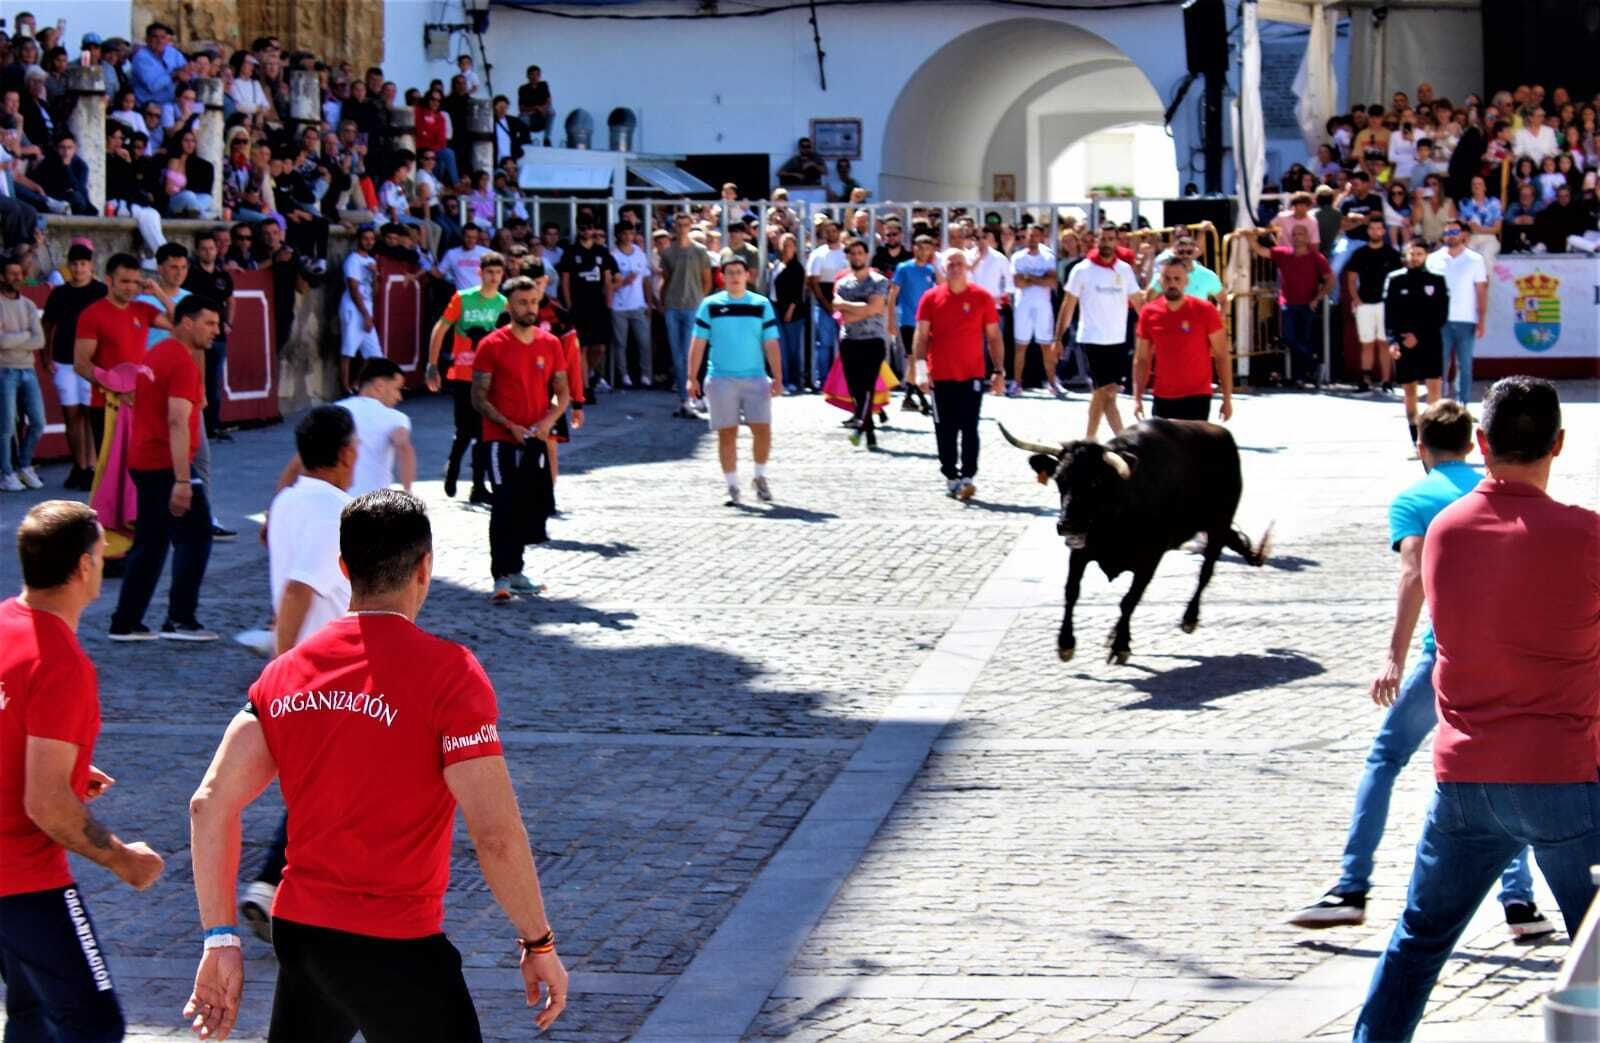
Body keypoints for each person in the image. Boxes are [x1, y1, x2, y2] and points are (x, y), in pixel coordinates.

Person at [185, 490, 569, 1041]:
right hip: (396, 944)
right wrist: (539, 943)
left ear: (344, 569)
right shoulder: (450, 674)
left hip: (305, 933)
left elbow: (208, 803)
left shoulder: (284, 674)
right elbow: (497, 835)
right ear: (425, 568)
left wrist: (220, 938)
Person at [1353, 378, 1600, 1043]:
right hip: (1565, 775)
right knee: (1597, 951)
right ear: (1559, 444)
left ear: (1482, 444)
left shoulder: (1444, 533)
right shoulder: (1587, 535)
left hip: (1466, 779)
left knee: (1418, 941)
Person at [1289, 400, 1553, 939]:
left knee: (1386, 757)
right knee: (1499, 764)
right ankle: (1519, 901)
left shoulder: (1417, 498)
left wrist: (1394, 655)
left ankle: (1351, 885)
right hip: (1514, 657)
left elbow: (1412, 575)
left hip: (1449, 656)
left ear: (1422, 448)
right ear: (1473, 443)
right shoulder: (1502, 491)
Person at [0, 501, 166, 1043]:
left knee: (31, 1015)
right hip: (23, 878)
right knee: (94, 1024)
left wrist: (57, 758)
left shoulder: (5, 623)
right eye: (101, 552)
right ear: (83, 568)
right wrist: (123, 859)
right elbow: (46, 805)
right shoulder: (61, 664)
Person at [238, 406, 359, 941]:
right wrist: (283, 663)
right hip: (327, 666)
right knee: (333, 783)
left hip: (310, 661)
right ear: (345, 452)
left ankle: (291, 888)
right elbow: (300, 587)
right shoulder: (339, 510)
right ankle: (275, 886)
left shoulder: (285, 501)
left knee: (329, 782)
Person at [106, 295, 219, 642]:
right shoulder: (181, 363)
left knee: (152, 542)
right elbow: (176, 421)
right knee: (196, 534)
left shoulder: (158, 354)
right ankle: (180, 619)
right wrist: (183, 479)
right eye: (210, 323)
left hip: (148, 460)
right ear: (187, 322)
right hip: (167, 465)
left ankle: (126, 622)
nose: (216, 330)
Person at [472, 272, 570, 602]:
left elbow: (562, 393)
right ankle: (501, 576)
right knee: (503, 503)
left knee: (530, 506)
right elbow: (479, 397)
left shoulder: (550, 344)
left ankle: (516, 570)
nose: (530, 308)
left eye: (533, 302)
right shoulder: (491, 345)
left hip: (535, 438)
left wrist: (549, 421)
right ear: (509, 305)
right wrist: (508, 424)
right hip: (499, 437)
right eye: (522, 303)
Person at [685, 255, 782, 505]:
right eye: (730, 273)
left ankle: (759, 476)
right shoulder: (710, 305)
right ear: (723, 276)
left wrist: (778, 376)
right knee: (726, 433)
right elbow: (698, 343)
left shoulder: (761, 304)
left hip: (755, 377)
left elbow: (771, 342)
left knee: (763, 429)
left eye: (739, 272)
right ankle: (731, 485)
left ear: (747, 275)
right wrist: (691, 377)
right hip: (720, 378)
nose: (735, 277)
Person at [912, 249, 1005, 501]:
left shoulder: (981, 297)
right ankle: (950, 475)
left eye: (959, 263)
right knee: (945, 428)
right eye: (950, 263)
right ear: (943, 268)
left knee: (969, 426)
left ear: (968, 267)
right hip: (940, 374)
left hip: (972, 374)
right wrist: (920, 371)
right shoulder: (930, 298)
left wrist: (998, 371)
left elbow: (994, 336)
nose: (955, 267)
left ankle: (968, 476)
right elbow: (921, 336)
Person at [427, 249, 506, 504]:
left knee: (485, 432)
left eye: (498, 272)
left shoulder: (504, 304)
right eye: (489, 272)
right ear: (479, 273)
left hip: (490, 377)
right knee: (464, 430)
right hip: (462, 373)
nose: (494, 277)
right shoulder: (462, 298)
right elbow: (440, 329)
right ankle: (453, 467)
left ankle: (478, 486)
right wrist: (432, 364)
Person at [1056, 227, 1139, 441]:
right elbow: (1068, 305)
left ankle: (1121, 439)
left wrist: (1154, 330)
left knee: (1109, 393)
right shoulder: (1082, 270)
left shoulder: (1125, 270)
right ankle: (1090, 439)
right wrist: (1058, 338)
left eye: (1111, 239)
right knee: (1103, 390)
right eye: (1103, 238)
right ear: (1096, 240)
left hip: (1118, 340)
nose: (1106, 243)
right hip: (1091, 338)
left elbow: (1139, 302)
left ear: (1116, 242)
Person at [1132, 257, 1231, 422]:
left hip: (1197, 396)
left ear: (1186, 281)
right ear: (1160, 282)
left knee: (1194, 448)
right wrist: (1137, 398)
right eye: (1167, 279)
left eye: (1177, 279)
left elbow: (1221, 356)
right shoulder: (1149, 313)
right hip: (1163, 396)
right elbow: (1141, 359)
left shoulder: (1205, 310)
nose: (1172, 283)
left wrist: (1227, 398)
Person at [41, 242, 106, 489]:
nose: (79, 269)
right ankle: (79, 465)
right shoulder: (59, 293)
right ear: (69, 267)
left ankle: (91, 466)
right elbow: (48, 326)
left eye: (83, 264)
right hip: (64, 360)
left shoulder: (101, 291)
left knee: (90, 415)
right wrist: (45, 356)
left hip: (91, 362)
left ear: (90, 266)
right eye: (75, 265)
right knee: (72, 415)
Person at [1247, 224, 1333, 385]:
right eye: (1294, 234)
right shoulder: (1283, 253)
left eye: (1300, 234)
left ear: (1307, 237)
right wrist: (1253, 235)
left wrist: (1318, 298)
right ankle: (1314, 363)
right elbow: (1259, 250)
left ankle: (1300, 377)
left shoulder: (1316, 257)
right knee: (1289, 338)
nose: (1297, 237)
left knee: (1303, 340)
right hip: (1288, 303)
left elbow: (1330, 280)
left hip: (1308, 304)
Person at [1383, 240, 1449, 448]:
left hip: (1430, 342)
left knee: (1434, 391)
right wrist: (1393, 341)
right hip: (1403, 344)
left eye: (1419, 253)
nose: (1415, 257)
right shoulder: (1395, 280)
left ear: (1426, 255)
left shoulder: (1436, 280)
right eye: (1412, 253)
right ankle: (1415, 439)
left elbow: (1440, 315)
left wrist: (1418, 336)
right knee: (1410, 391)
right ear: (1406, 255)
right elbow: (1389, 314)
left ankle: (1434, 437)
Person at [832, 238, 891, 450]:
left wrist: (853, 309)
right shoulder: (843, 283)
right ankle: (869, 428)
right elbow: (841, 312)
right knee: (856, 388)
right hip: (849, 340)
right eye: (853, 253)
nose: (857, 257)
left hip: (873, 340)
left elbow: (875, 308)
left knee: (867, 385)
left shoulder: (879, 281)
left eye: (860, 253)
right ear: (848, 256)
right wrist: (862, 309)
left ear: (866, 255)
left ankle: (860, 426)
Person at [1425, 220, 1487, 404]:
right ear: (1443, 235)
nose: (1451, 235)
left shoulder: (1475, 259)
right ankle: (1439, 405)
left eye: (1455, 232)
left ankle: (1463, 405)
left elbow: (1481, 290)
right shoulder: (1433, 259)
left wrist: (1481, 319)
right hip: (1439, 321)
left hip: (1466, 320)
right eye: (1448, 232)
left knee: (1465, 366)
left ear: (1462, 234)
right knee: (1439, 366)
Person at [658, 213, 712, 418]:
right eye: (679, 225)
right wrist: (662, 302)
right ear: (674, 227)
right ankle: (684, 398)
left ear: (691, 226)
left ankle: (694, 395)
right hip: (673, 306)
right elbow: (666, 279)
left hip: (693, 307)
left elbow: (707, 280)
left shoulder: (700, 251)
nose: (682, 228)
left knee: (692, 354)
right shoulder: (668, 253)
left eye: (685, 225)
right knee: (677, 355)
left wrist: (700, 301)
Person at [0, 254, 45, 493]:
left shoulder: (27, 304)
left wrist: (13, 338)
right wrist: (25, 335)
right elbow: (1, 342)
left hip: (28, 369)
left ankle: (24, 466)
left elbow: (40, 339)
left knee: (38, 422)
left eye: (20, 273)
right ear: (2, 277)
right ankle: (6, 472)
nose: (18, 278)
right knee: (6, 426)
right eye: (12, 274)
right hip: (3, 370)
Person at [184, 233, 235, 442]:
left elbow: (231, 301)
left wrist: (229, 322)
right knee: (195, 379)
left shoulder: (223, 277)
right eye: (204, 248)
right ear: (197, 251)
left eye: (211, 248)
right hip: (196, 336)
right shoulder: (191, 276)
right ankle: (198, 425)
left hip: (217, 336)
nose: (208, 252)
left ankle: (213, 424)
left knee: (213, 381)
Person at [1345, 212, 1404, 392]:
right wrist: (1356, 300)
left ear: (1383, 231)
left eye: (1379, 228)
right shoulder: (1360, 253)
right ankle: (1366, 379)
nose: (1375, 231)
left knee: (1384, 343)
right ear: (1368, 231)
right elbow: (1351, 278)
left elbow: (1399, 281)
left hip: (1385, 304)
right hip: (1365, 303)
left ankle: (1387, 381)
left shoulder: (1392, 254)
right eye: (1372, 228)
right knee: (1367, 343)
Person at [558, 224, 618, 394]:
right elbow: (565, 280)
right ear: (579, 229)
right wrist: (569, 305)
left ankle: (587, 373)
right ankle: (585, 387)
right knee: (581, 347)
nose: (587, 231)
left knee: (599, 347)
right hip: (578, 306)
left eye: (590, 227)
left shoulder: (601, 251)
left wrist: (609, 302)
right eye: (583, 228)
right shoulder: (570, 251)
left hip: (598, 306)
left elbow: (608, 280)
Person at [890, 234, 939, 414]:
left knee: (920, 359)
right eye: (920, 247)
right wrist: (891, 320)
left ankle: (910, 396)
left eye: (927, 248)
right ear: (914, 248)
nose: (924, 251)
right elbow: (893, 294)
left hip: (926, 322)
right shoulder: (904, 268)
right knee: (913, 358)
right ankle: (918, 397)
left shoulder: (930, 270)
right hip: (908, 319)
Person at [1007, 225, 1058, 398]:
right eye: (1030, 236)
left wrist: (1029, 277)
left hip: (1043, 305)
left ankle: (1052, 383)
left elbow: (1052, 281)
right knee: (1021, 346)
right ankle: (1017, 383)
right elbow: (1017, 282)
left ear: (1042, 237)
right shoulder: (1017, 257)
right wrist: (1040, 279)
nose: (1033, 239)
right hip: (1023, 306)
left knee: (1046, 346)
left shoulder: (1048, 256)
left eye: (1036, 235)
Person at [805, 216, 847, 397]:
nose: (831, 234)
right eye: (828, 231)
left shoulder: (848, 252)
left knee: (845, 344)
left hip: (846, 305)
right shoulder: (817, 254)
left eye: (834, 231)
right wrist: (827, 305)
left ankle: (844, 381)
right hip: (824, 305)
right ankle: (823, 380)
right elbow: (813, 282)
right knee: (825, 344)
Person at [609, 223, 654, 389]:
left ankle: (646, 376)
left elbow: (646, 280)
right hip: (618, 306)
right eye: (624, 233)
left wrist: (649, 303)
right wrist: (623, 282)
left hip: (638, 305)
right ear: (618, 235)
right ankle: (624, 375)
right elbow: (608, 284)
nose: (628, 236)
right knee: (621, 343)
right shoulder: (612, 255)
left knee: (644, 342)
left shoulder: (640, 254)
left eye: (631, 232)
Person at [340, 226, 382, 395]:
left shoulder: (371, 261)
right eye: (365, 238)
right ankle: (345, 388)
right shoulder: (353, 260)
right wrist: (365, 314)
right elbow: (353, 288)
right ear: (359, 239)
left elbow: (375, 291)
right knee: (348, 350)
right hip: (353, 307)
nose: (369, 242)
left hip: (367, 307)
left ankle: (357, 384)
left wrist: (376, 275)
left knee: (374, 354)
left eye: (372, 239)